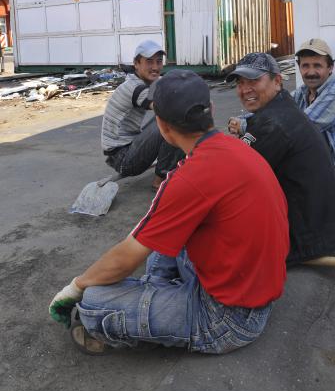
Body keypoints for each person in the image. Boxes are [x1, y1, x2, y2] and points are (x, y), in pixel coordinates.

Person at [49, 70, 289, 355]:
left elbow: (126, 260)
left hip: (226, 319)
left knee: (93, 301)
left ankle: (153, 302)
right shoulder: (236, 149)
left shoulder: (190, 178)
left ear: (161, 126)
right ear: (211, 110)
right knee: (165, 232)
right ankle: (159, 292)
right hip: (252, 292)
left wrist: (76, 286)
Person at [227, 52, 335, 264]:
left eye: (254, 80)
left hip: (305, 239)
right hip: (319, 227)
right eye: (240, 83)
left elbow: (231, 180)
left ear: (277, 81)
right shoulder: (282, 107)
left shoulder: (274, 124)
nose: (245, 89)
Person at [101, 39, 182, 189]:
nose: (155, 67)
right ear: (136, 64)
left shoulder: (142, 80)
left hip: (127, 147)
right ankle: (161, 179)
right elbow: (162, 107)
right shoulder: (134, 87)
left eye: (159, 62)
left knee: (170, 116)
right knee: (175, 120)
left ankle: (175, 166)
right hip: (123, 158)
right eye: (149, 62)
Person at [292, 38, 335, 187]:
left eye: (317, 66)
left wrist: (248, 126)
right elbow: (278, 106)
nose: (311, 72)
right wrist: (245, 119)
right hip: (312, 163)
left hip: (332, 172)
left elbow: (299, 126)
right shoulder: (304, 91)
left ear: (330, 67)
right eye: (305, 66)